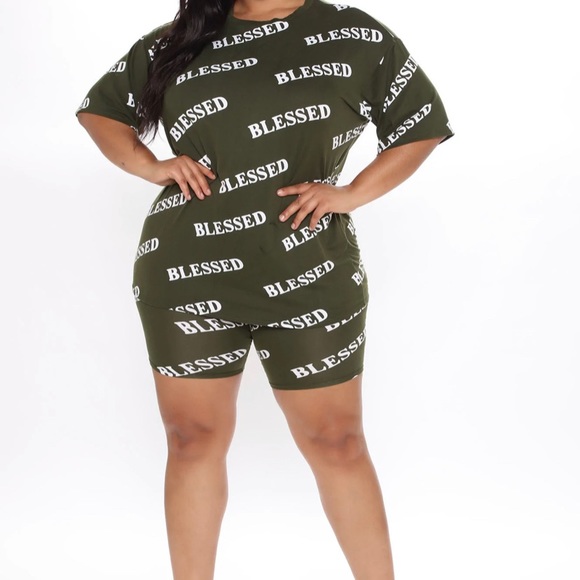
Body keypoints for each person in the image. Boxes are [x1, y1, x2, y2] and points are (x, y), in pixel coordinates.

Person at [76, 0, 453, 577]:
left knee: (336, 441)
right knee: (192, 438)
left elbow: (420, 124)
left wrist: (351, 194)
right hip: (187, 269)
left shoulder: (353, 34)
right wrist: (153, 167)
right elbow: (100, 111)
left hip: (312, 273)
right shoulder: (181, 39)